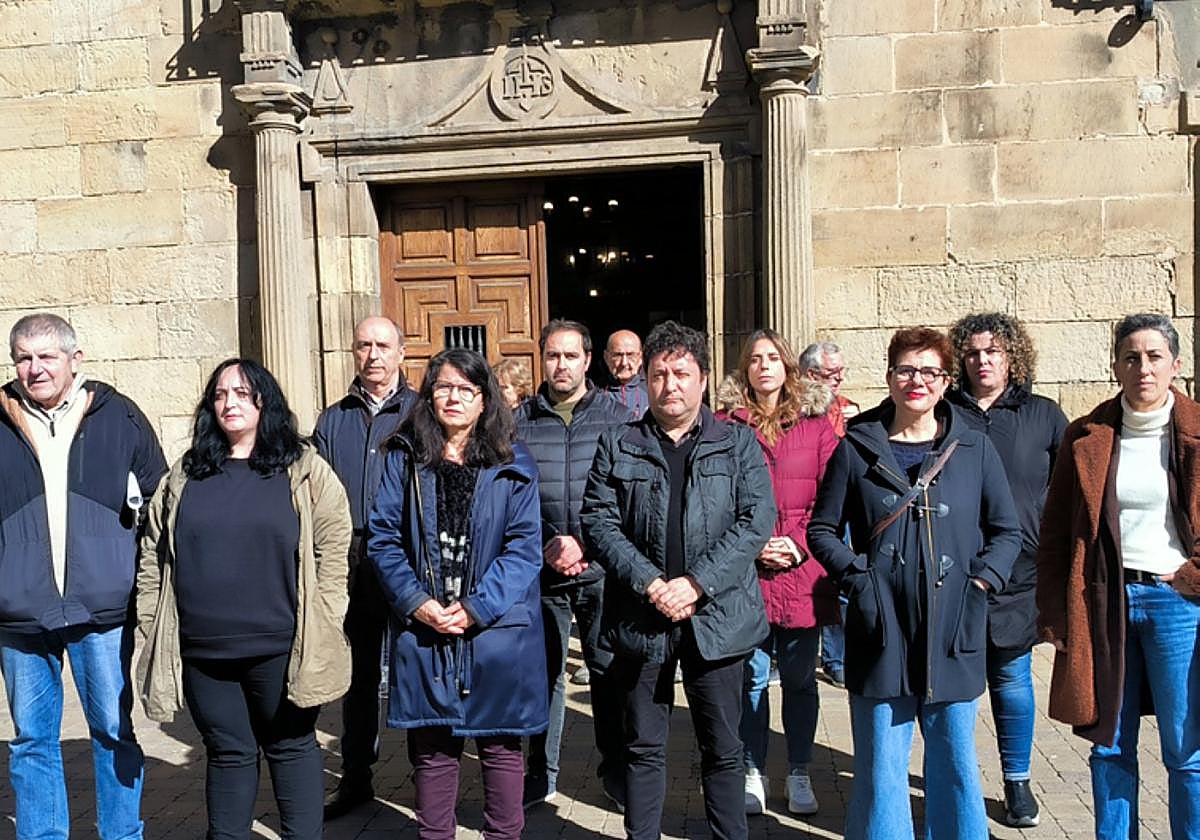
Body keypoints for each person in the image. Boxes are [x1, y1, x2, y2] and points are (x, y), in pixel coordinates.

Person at [807, 327, 1021, 840]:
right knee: (881, 768)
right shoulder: (856, 446)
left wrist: (981, 584)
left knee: (955, 766)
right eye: (906, 370)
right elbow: (822, 530)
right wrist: (858, 579)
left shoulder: (973, 447)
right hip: (880, 627)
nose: (916, 381)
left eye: (929, 371)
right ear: (889, 377)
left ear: (946, 381)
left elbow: (1006, 531)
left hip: (953, 628)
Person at [136, 358, 352, 840]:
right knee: (228, 753)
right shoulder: (187, 473)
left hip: (282, 646)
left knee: (291, 747)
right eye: (219, 394)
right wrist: (152, 622)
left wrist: (326, 614)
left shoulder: (303, 469)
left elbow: (334, 544)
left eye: (241, 393)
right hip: (204, 651)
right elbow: (153, 550)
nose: (229, 403)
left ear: (264, 401)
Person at [581, 320, 776, 840]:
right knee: (643, 746)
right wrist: (651, 583)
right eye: (659, 374)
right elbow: (598, 521)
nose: (670, 385)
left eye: (681, 373)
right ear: (645, 380)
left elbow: (755, 520)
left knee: (723, 747)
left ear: (703, 379)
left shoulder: (737, 443)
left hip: (718, 618)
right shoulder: (618, 443)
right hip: (641, 617)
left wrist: (695, 584)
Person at [368, 348, 546, 839]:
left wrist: (475, 608)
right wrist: (416, 603)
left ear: (485, 399)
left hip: (496, 631)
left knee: (501, 747)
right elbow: (383, 538)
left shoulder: (513, 461)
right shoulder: (405, 456)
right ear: (428, 395)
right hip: (425, 625)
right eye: (443, 387)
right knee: (433, 750)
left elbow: (524, 548)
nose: (453, 398)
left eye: (466, 389)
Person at [0, 313, 166, 840]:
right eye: (23, 357)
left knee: (113, 731)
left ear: (75, 359)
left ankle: (121, 834)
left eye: (47, 356)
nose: (35, 368)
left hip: (102, 606)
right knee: (31, 741)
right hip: (19, 609)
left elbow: (159, 499)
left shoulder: (120, 417)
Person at [1036, 313, 1200, 840]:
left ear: (1176, 365)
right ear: (1115, 366)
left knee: (1186, 750)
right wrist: (1056, 615)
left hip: (1178, 604)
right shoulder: (1088, 435)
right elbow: (1055, 532)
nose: (1143, 368)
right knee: (1109, 745)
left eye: (1154, 357)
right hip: (1105, 601)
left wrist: (1193, 575)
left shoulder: (1196, 431)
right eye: (1131, 357)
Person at [946, 313, 1067, 828]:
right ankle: (959, 783)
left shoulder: (1043, 415)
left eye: (993, 351)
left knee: (1012, 678)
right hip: (955, 568)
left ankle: (1017, 781)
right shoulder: (945, 411)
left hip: (1020, 570)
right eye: (973, 352)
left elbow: (1068, 489)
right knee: (956, 685)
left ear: (1012, 356)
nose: (983, 360)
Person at [514, 319, 634, 810]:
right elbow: (510, 496)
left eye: (570, 356)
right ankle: (540, 773)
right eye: (552, 356)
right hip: (542, 572)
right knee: (543, 675)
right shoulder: (517, 422)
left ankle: (616, 770)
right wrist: (547, 541)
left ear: (587, 360)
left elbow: (627, 496)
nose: (560, 365)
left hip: (600, 569)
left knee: (608, 672)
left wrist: (585, 544)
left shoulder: (617, 419)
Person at [721, 329, 839, 817]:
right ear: (744, 369)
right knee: (750, 679)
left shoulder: (816, 426)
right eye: (755, 359)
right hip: (746, 576)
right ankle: (753, 770)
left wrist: (798, 545)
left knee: (800, 680)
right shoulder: (725, 426)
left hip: (802, 572)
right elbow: (718, 502)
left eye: (773, 357)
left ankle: (799, 770)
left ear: (787, 366)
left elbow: (832, 499)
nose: (764, 366)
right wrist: (752, 547)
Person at [313, 316, 418, 818]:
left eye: (382, 345)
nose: (373, 355)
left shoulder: (422, 413)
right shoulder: (333, 420)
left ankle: (427, 776)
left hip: (409, 558)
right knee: (357, 678)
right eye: (363, 346)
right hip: (352, 560)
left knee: (415, 668)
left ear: (401, 352)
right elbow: (315, 493)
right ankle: (357, 778)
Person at [800, 340, 859, 689]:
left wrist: (856, 424)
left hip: (840, 504)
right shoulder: (797, 408)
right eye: (832, 373)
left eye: (841, 371)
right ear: (811, 375)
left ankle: (838, 659)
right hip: (806, 504)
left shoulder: (846, 408)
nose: (839, 379)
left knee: (838, 580)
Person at [602, 329, 649, 416]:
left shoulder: (652, 391)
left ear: (640, 358)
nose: (624, 363)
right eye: (618, 355)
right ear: (606, 357)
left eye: (630, 355)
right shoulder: (594, 394)